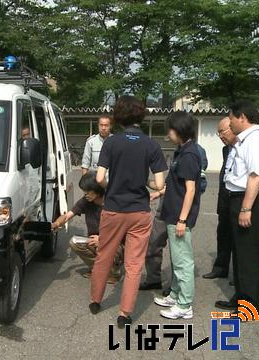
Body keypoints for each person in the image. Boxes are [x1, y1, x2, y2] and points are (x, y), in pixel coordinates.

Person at [89, 96, 167, 328]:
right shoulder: (151, 144)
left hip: (113, 209)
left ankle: (95, 300)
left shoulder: (111, 143)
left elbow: (100, 178)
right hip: (140, 212)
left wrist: (112, 188)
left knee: (104, 255)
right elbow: (159, 183)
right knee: (134, 264)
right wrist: (144, 184)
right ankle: (125, 313)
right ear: (140, 115)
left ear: (118, 116)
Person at [215, 100, 259, 318]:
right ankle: (240, 299)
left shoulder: (256, 140)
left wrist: (246, 208)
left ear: (242, 118)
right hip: (238, 198)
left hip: (251, 201)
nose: (230, 123)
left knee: (249, 256)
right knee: (239, 254)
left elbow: (255, 176)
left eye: (231, 118)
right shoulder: (244, 140)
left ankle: (250, 308)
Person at [150, 111, 202, 319]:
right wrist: (160, 192)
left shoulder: (190, 155)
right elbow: (177, 184)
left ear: (179, 130)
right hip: (172, 214)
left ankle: (184, 305)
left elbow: (190, 190)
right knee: (177, 257)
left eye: (170, 130)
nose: (168, 134)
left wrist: (182, 220)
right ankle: (175, 294)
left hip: (179, 217)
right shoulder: (182, 150)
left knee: (182, 262)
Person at [140, 142, 208, 293]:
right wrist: (158, 192)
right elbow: (171, 182)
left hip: (179, 210)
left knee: (177, 252)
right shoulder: (179, 151)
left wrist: (183, 216)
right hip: (165, 206)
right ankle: (153, 279)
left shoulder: (195, 152)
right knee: (154, 243)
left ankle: (176, 289)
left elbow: (197, 186)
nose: (167, 135)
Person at [51, 172, 123, 284]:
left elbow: (121, 230)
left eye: (88, 191)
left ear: (98, 190)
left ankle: (114, 272)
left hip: (114, 243)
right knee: (74, 242)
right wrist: (55, 224)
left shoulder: (112, 203)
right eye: (84, 190)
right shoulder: (86, 201)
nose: (85, 194)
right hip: (94, 240)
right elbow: (67, 215)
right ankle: (99, 269)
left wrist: (102, 240)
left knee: (104, 246)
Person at [203, 117, 237, 279]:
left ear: (233, 128)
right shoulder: (226, 150)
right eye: (218, 133)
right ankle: (220, 268)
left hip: (239, 201)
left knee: (239, 240)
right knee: (222, 234)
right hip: (224, 200)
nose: (220, 136)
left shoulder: (244, 148)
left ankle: (238, 276)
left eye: (222, 132)